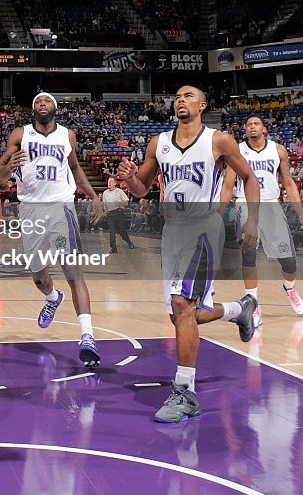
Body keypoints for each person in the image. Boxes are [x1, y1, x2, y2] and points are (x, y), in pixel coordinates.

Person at [118, 84, 259, 424]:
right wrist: (130, 179)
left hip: (203, 228)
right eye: (177, 97)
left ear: (203, 105)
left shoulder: (219, 140)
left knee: (182, 306)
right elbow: (142, 190)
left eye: (189, 96)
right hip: (172, 232)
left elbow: (249, 178)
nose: (181, 100)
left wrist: (253, 219)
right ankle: (239, 310)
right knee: (183, 317)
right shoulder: (159, 143)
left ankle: (185, 392)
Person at [0, 92, 103, 364]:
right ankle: (53, 298)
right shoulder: (20, 134)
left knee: (73, 271)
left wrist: (93, 196)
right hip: (31, 209)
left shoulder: (67, 135)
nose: (42, 103)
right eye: (37, 102)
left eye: (46, 101)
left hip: (61, 206)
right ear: (33, 110)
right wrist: (9, 166)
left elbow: (77, 168)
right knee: (39, 278)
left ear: (55, 108)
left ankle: (87, 336)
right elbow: (0, 175)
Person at [220, 114, 303, 325]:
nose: (252, 127)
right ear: (245, 130)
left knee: (289, 262)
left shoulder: (278, 150)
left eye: (256, 124)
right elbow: (228, 186)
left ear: (264, 129)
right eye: (248, 124)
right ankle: (252, 302)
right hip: (245, 206)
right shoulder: (236, 151)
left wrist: (300, 212)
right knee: (248, 256)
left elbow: (289, 183)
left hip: (272, 206)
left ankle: (289, 288)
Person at [101, 177, 135, 252]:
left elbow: (126, 202)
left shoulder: (119, 191)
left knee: (121, 231)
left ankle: (129, 242)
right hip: (110, 214)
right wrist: (106, 212)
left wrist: (119, 202)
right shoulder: (105, 193)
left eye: (111, 181)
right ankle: (113, 248)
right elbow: (105, 204)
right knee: (112, 231)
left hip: (119, 213)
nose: (109, 183)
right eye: (108, 181)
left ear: (115, 183)